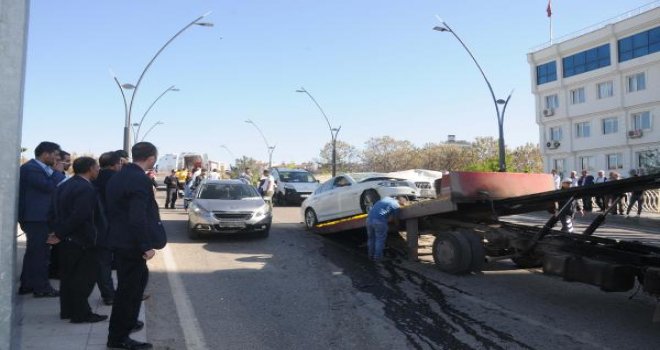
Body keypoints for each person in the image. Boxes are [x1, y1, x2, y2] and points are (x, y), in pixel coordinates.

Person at [105, 142, 165, 350]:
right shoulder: (138, 179)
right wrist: (145, 246)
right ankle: (118, 339)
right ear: (151, 158)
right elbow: (137, 217)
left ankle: (128, 324)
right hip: (131, 245)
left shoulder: (118, 176)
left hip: (121, 240)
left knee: (135, 285)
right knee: (128, 293)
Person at [48, 157, 107, 323]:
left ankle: (67, 310)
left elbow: (52, 211)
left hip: (67, 240)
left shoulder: (65, 184)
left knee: (68, 277)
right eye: (96, 167)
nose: (98, 170)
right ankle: (81, 313)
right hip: (82, 241)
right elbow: (80, 216)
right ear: (89, 168)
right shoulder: (85, 188)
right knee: (84, 279)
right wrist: (59, 234)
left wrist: (57, 232)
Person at [18, 141, 65, 297]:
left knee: (35, 252)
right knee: (40, 254)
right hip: (35, 217)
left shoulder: (40, 169)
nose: (58, 159)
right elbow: (49, 187)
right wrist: (58, 172)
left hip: (39, 217)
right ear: (46, 154)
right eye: (56, 155)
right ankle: (41, 288)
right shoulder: (31, 169)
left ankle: (28, 284)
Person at [93, 151, 123, 306]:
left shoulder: (92, 178)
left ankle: (108, 294)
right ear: (114, 164)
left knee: (102, 264)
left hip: (96, 228)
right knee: (123, 261)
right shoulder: (117, 180)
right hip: (114, 227)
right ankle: (118, 293)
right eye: (119, 163)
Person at [366, 196, 408, 261]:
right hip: (379, 221)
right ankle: (377, 258)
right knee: (379, 240)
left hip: (368, 220)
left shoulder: (386, 198)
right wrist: (398, 226)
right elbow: (396, 219)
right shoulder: (396, 205)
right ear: (400, 201)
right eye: (402, 204)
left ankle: (370, 255)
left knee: (371, 239)